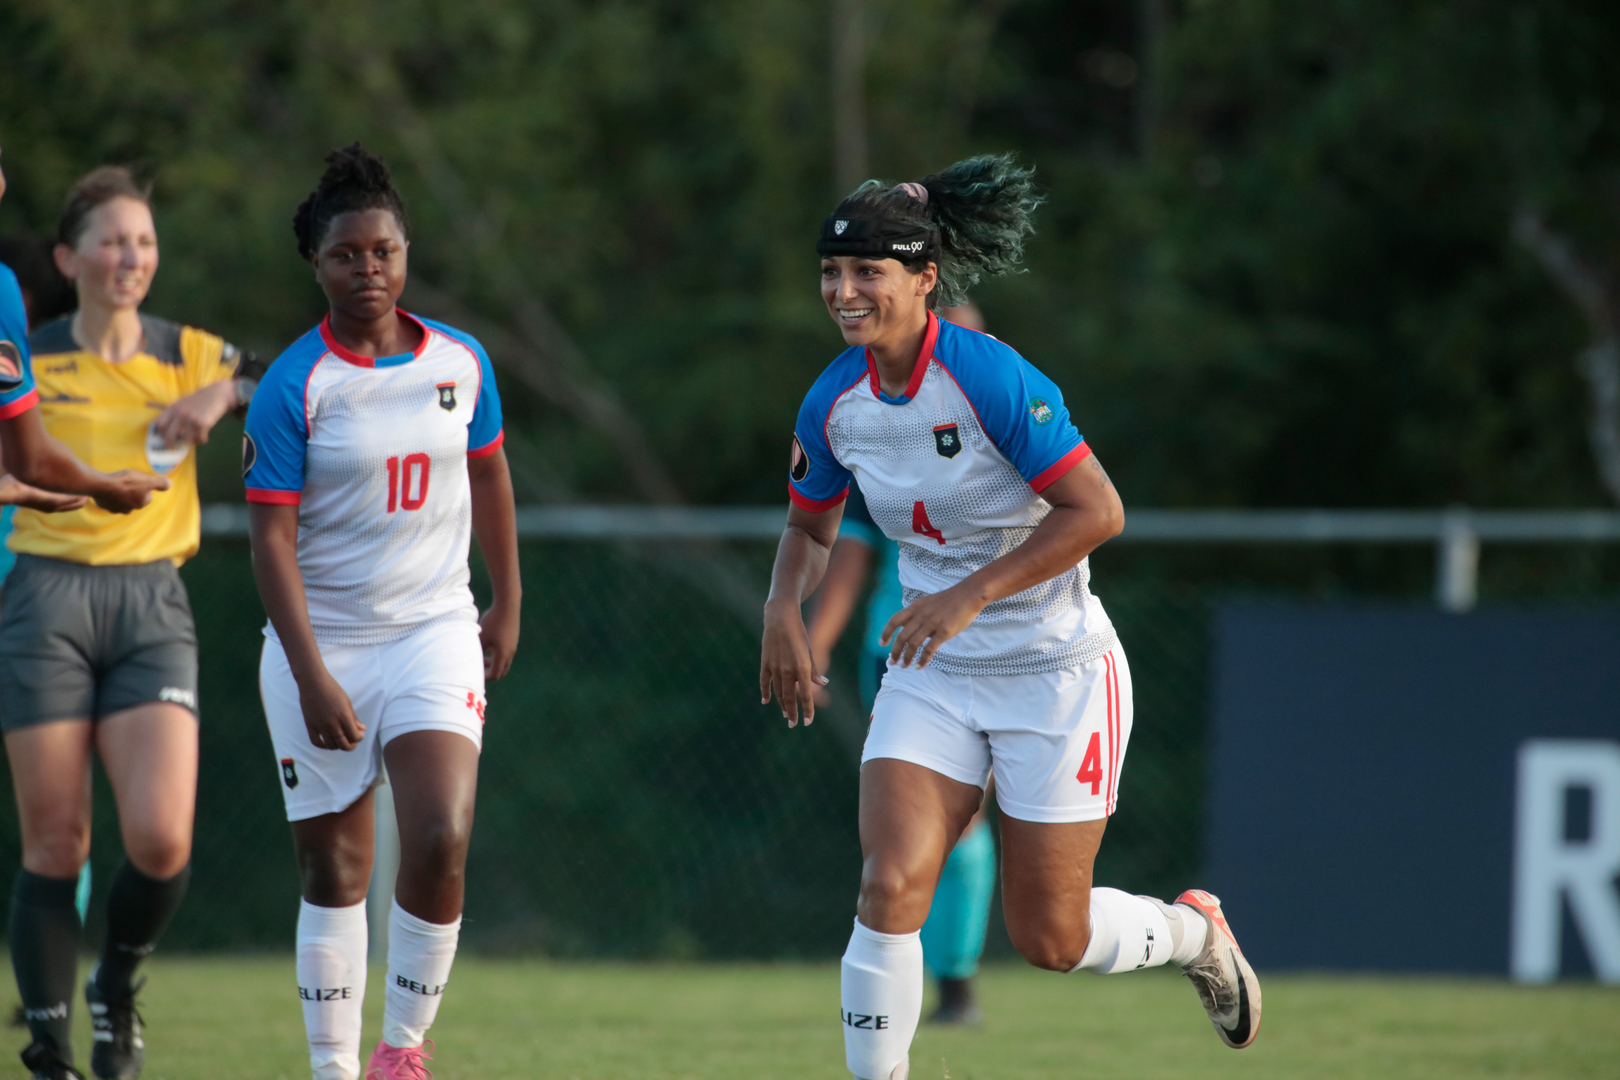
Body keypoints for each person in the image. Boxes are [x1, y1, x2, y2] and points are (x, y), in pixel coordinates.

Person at [760, 156, 1261, 1080]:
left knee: (1050, 937)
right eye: (832, 273)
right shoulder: (835, 397)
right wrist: (781, 612)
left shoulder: (989, 376)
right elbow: (808, 523)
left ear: (924, 279)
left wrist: (970, 591)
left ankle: (1193, 932)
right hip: (935, 673)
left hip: (1056, 671)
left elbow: (1098, 512)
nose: (844, 291)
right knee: (887, 885)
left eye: (868, 272)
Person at [245, 143, 520, 1080]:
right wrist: (313, 672)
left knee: (442, 831)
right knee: (336, 871)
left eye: (383, 251)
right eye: (347, 255)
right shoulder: (294, 386)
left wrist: (506, 600)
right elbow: (270, 543)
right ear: (316, 266)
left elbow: (487, 473)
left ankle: (400, 1052)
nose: (368, 269)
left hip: (433, 630)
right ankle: (330, 1068)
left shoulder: (461, 360)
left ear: (405, 254)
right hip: (321, 644)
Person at [1, 161, 249, 1080]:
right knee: (59, 840)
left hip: (152, 603)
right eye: (111, 240)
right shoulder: (29, 347)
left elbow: (288, 381)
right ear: (69, 257)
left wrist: (223, 394)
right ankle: (52, 1048)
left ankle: (119, 986)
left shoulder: (191, 351)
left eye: (144, 241)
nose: (130, 257)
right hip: (46, 596)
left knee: (161, 839)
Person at [805, 302, 996, 1026]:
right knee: (908, 833)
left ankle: (954, 978)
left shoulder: (1009, 421)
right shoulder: (874, 432)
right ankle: (918, 992)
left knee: (968, 829)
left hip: (1001, 657)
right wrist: (816, 639)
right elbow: (849, 553)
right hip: (904, 658)